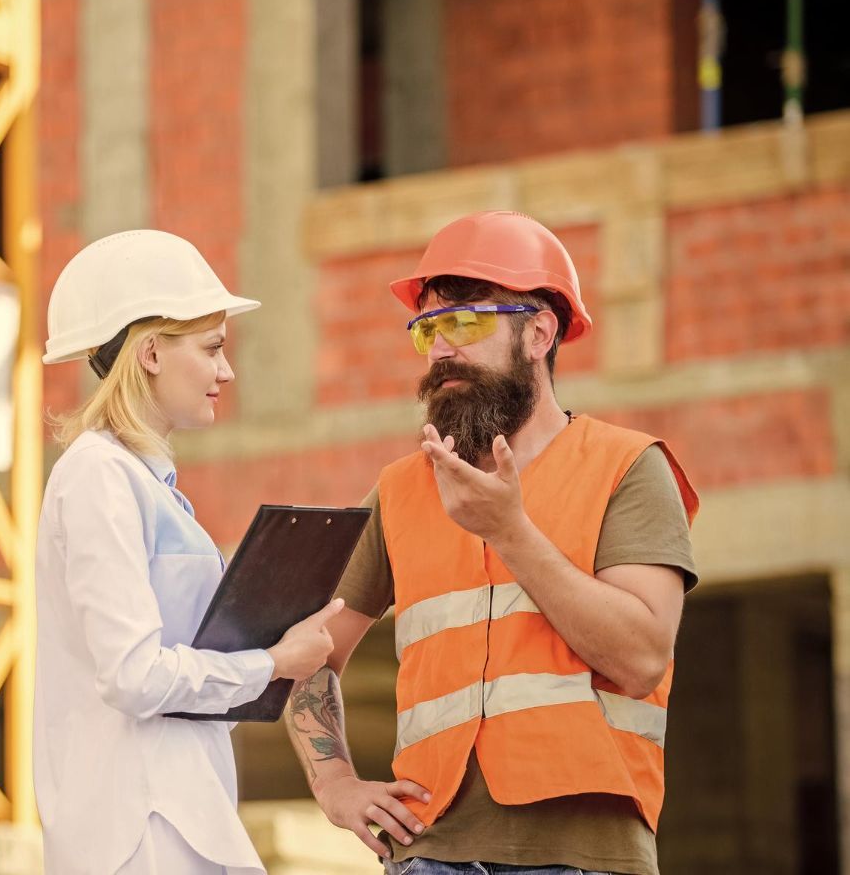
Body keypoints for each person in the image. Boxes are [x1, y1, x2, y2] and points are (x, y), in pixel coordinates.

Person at [285, 211, 699, 875]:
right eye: (428, 327)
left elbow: (643, 656)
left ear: (539, 333)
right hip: (429, 853)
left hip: (583, 859)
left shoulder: (627, 467)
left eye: (465, 323)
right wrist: (333, 783)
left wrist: (510, 531)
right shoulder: (401, 490)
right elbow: (306, 651)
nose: (440, 348)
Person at [35, 229, 345, 875]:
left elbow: (176, 688)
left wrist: (268, 647)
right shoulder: (98, 477)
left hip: (179, 813)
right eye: (211, 349)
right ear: (149, 353)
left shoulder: (150, 487)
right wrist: (270, 661)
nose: (225, 371)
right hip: (138, 834)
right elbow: (134, 676)